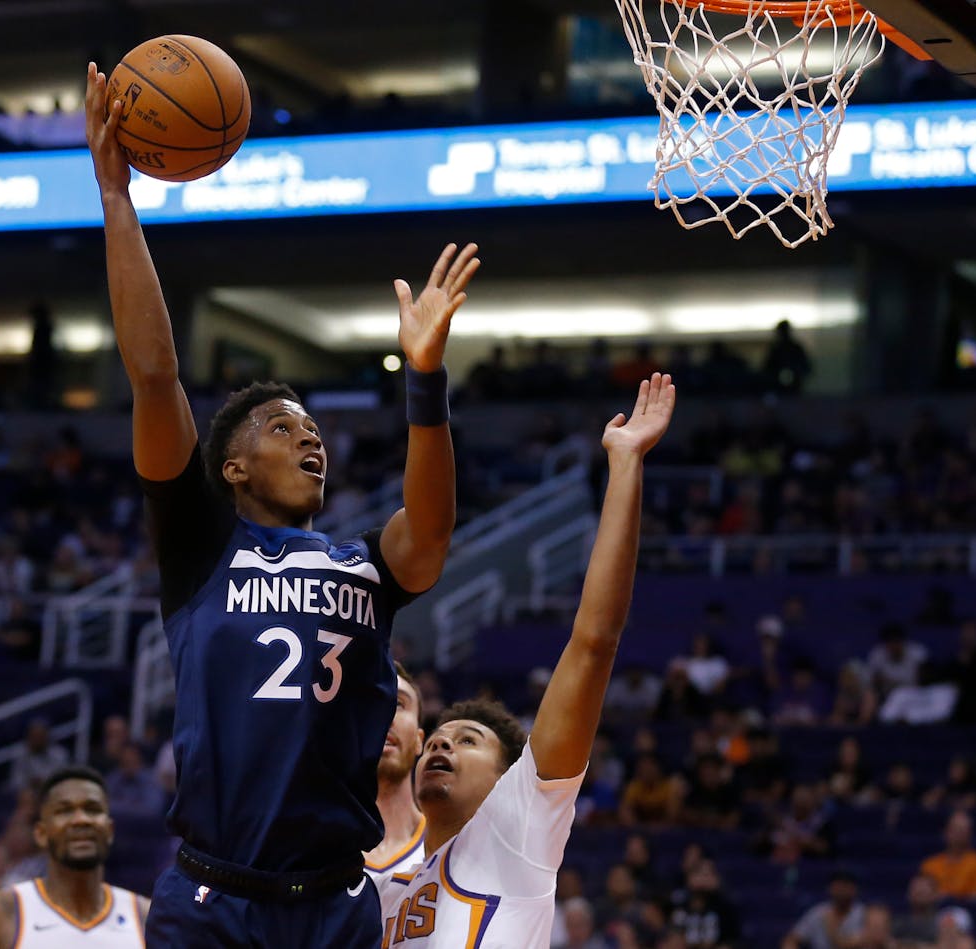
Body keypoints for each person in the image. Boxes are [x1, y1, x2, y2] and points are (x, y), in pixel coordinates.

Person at [83, 63, 476, 948]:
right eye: (281, 425)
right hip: (214, 899)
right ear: (230, 466)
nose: (311, 439)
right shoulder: (200, 547)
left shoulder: (366, 567)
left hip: (337, 902)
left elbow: (434, 524)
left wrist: (425, 381)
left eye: (314, 429)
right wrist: (116, 194)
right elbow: (153, 373)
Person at [375, 374, 675, 946]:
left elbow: (593, 642)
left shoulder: (519, 826)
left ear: (509, 779)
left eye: (467, 741)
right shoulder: (386, 894)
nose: (440, 744)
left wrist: (626, 465)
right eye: (440, 737)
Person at [0, 767, 150, 949]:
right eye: (64, 811)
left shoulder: (145, 917)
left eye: (92, 809)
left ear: (109, 830)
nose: (81, 819)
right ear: (41, 834)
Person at [365, 663, 426, 887]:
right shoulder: (312, 846)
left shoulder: (451, 846)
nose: (385, 715)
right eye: (372, 702)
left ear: (420, 740)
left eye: (399, 704)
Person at [781, 869, 867, 949]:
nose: (841, 890)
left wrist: (832, 929)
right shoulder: (817, 912)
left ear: (855, 889)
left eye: (845, 885)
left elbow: (851, 945)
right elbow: (791, 939)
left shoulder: (865, 914)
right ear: (830, 888)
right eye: (838, 886)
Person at [918, 812, 976, 901]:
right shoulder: (930, 864)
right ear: (945, 832)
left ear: (970, 834)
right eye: (955, 829)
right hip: (934, 913)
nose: (959, 834)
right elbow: (924, 896)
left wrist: (947, 898)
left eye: (964, 830)